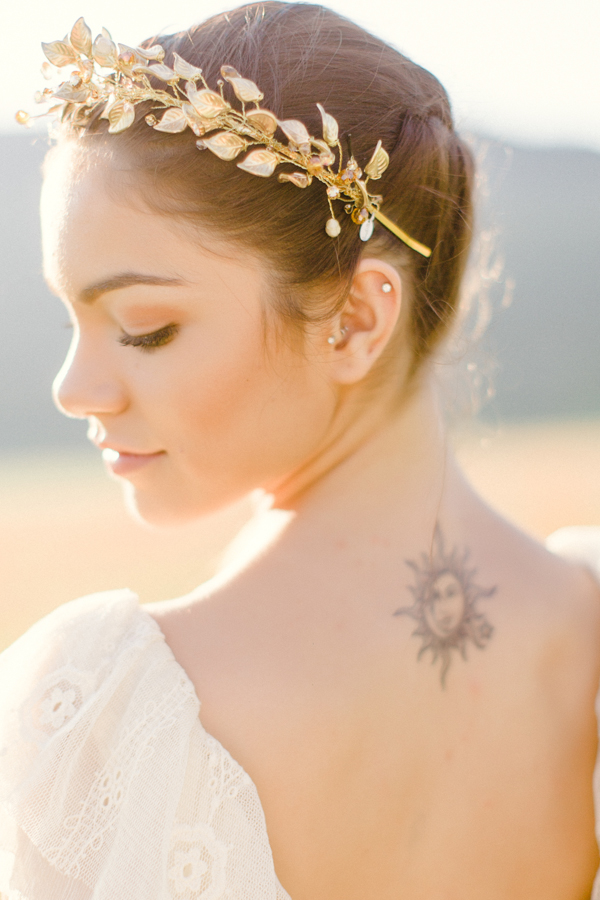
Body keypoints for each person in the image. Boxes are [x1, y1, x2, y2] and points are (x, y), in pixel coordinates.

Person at [1, 3, 599, 898]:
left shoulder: (99, 710)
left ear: (357, 318)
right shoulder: (582, 626)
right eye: (71, 319)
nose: (73, 388)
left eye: (143, 328)